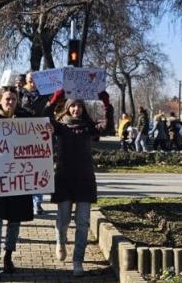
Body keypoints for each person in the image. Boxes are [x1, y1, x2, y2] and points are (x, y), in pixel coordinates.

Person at [47, 90, 112, 277]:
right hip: (64, 178)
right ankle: (60, 241)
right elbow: (44, 116)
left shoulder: (88, 126)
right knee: (64, 220)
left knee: (82, 223)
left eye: (79, 106)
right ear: (68, 108)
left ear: (83, 109)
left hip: (84, 179)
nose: (76, 109)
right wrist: (55, 99)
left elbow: (107, 127)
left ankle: (78, 260)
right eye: (73, 106)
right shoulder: (59, 126)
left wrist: (105, 104)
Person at [0, 87, 34, 281]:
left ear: (17, 101)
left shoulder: (27, 119)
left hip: (19, 179)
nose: (10, 102)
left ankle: (8, 257)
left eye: (13, 99)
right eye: (7, 99)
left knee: (14, 221)